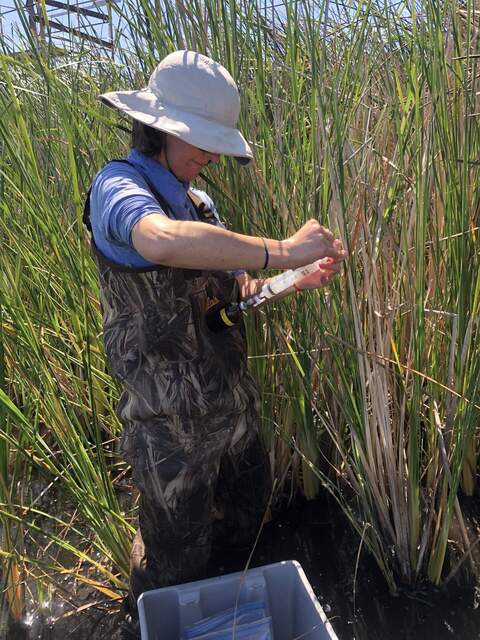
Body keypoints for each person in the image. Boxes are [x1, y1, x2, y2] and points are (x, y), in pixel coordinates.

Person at [83, 50, 345, 637]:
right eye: (196, 140)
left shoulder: (200, 203)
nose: (206, 155)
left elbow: (230, 300)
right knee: (176, 570)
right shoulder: (118, 186)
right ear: (158, 127)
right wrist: (282, 248)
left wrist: (286, 278)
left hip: (232, 411)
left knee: (247, 535)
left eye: (212, 144)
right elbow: (161, 241)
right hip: (167, 432)